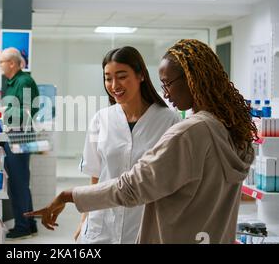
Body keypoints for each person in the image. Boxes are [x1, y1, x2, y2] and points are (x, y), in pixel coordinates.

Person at [26, 39, 257, 244]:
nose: (166, 93)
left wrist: (69, 195)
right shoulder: (230, 129)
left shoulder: (185, 130)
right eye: (108, 78)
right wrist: (85, 216)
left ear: (193, 80)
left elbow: (134, 186)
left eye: (168, 84)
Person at [74, 47, 180, 244]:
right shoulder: (101, 119)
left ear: (140, 75)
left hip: (145, 223)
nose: (114, 85)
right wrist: (84, 220)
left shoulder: (168, 121)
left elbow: (171, 180)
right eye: (108, 78)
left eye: (122, 76)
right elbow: (96, 176)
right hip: (101, 225)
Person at [0, 47, 40, 240]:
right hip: (14, 135)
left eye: (2, 62)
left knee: (18, 183)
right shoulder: (14, 82)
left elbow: (25, 111)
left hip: (19, 137)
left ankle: (22, 226)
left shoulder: (24, 81)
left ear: (13, 63)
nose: (0, 65)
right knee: (21, 182)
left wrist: (3, 115)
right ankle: (30, 223)